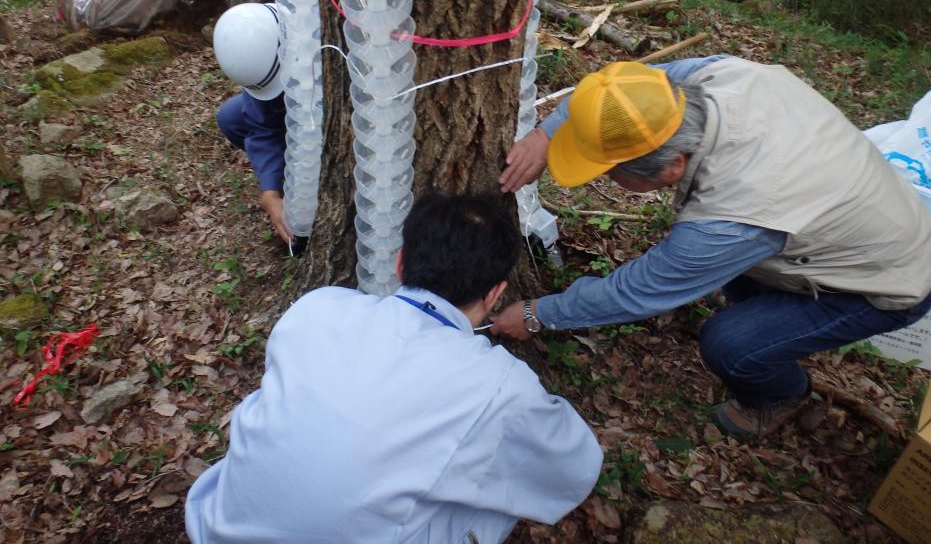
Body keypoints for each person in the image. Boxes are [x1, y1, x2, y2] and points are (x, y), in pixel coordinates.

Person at [494, 56, 931, 439]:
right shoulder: (717, 78)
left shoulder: (733, 216)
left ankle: (782, 395)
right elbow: (618, 88)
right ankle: (770, 308)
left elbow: (635, 292)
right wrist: (546, 134)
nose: (604, 179)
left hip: (891, 280)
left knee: (730, 344)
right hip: (858, 218)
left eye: (608, 172)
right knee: (735, 281)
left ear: (672, 167)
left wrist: (538, 314)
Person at [184, 192, 603, 544]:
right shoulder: (499, 384)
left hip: (215, 526)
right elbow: (576, 467)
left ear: (400, 263)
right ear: (495, 294)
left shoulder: (319, 305)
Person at [213, 2, 291, 245]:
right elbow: (261, 126)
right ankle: (289, 180)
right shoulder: (260, 57)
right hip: (283, 104)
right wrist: (271, 191)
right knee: (231, 116)